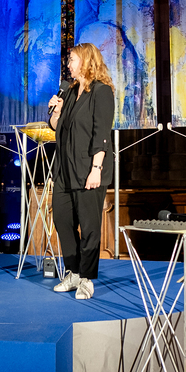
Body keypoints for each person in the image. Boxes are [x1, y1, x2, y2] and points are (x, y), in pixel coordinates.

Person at [48, 43, 115, 300]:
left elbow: (101, 133)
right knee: (62, 220)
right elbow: (57, 127)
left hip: (89, 169)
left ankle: (87, 278)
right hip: (65, 170)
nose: (68, 64)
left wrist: (96, 168)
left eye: (72, 60)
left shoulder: (101, 91)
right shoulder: (69, 91)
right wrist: (57, 111)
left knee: (89, 227)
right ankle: (73, 271)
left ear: (86, 61)